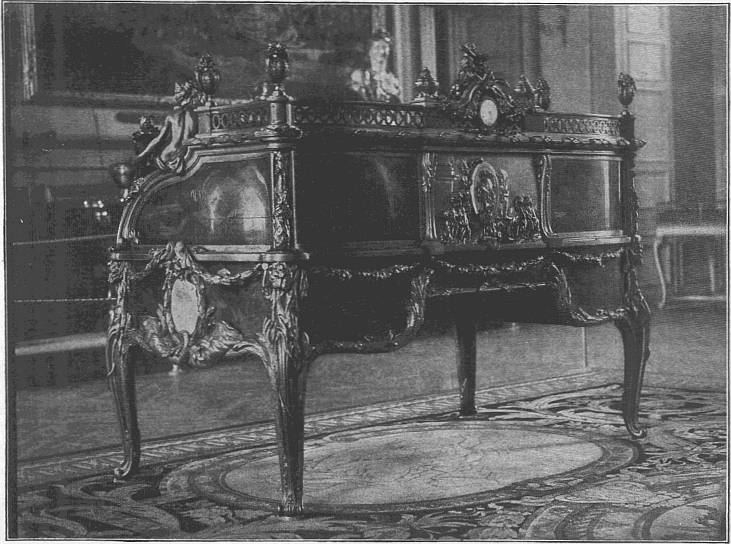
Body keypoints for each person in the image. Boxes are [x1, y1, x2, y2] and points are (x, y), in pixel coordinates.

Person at [349, 30, 401, 103]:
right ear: (369, 51)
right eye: (377, 47)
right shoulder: (359, 75)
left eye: (385, 47)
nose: (382, 51)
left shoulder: (392, 78)